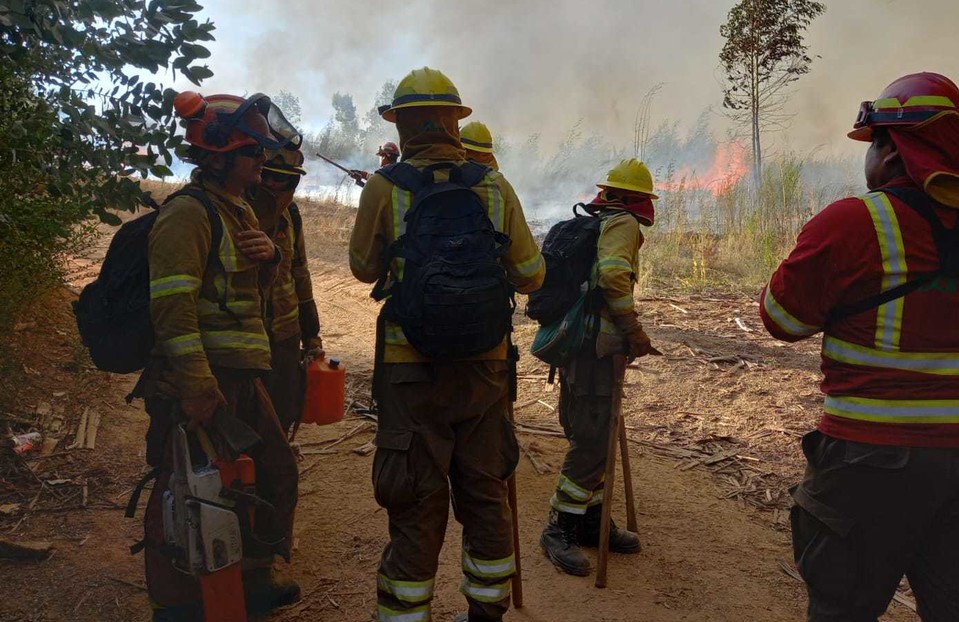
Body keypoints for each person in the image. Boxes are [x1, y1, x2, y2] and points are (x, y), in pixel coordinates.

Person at [759, 72, 959, 622]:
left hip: (868, 463)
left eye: (873, 145)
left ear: (892, 150)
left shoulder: (850, 223)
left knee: (843, 610)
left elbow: (780, 319)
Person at [349, 67, 545, 622]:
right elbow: (531, 275)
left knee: (415, 504)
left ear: (404, 125)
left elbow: (363, 270)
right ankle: (486, 615)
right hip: (484, 371)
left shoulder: (385, 188)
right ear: (455, 122)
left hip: (412, 373)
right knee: (485, 497)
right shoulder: (494, 186)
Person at [143, 92, 303, 620]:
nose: (263, 160)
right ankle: (176, 601)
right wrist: (194, 384)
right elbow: (173, 307)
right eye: (252, 151)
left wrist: (271, 257)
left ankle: (253, 582)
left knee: (270, 471)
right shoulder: (187, 216)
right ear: (218, 157)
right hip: (205, 380)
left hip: (239, 375)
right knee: (187, 485)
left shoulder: (235, 209)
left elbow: (242, 297)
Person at [539, 158, 660, 577]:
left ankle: (591, 519)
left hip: (578, 346)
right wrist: (634, 332)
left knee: (591, 434)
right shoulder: (623, 224)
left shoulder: (599, 222)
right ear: (635, 198)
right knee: (593, 442)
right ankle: (561, 526)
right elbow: (612, 279)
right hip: (597, 350)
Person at [249, 147, 323, 432]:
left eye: (282, 180)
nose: (272, 186)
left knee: (281, 413)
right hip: (243, 338)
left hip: (284, 336)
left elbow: (300, 273)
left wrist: (311, 334)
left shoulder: (291, 214)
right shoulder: (230, 211)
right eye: (267, 176)